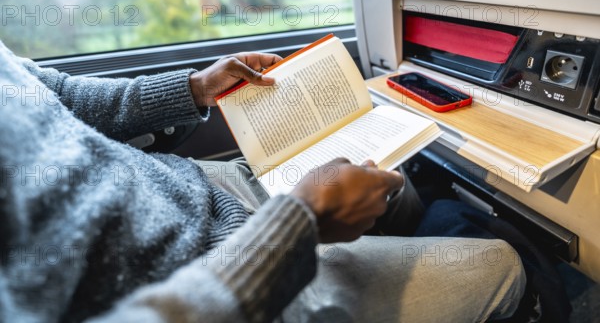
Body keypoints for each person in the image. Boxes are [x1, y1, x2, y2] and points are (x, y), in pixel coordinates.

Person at [0, 40, 525, 322]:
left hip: (205, 191)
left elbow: (58, 96)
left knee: (396, 184)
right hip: (225, 277)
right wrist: (298, 222)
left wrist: (196, 88)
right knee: (501, 265)